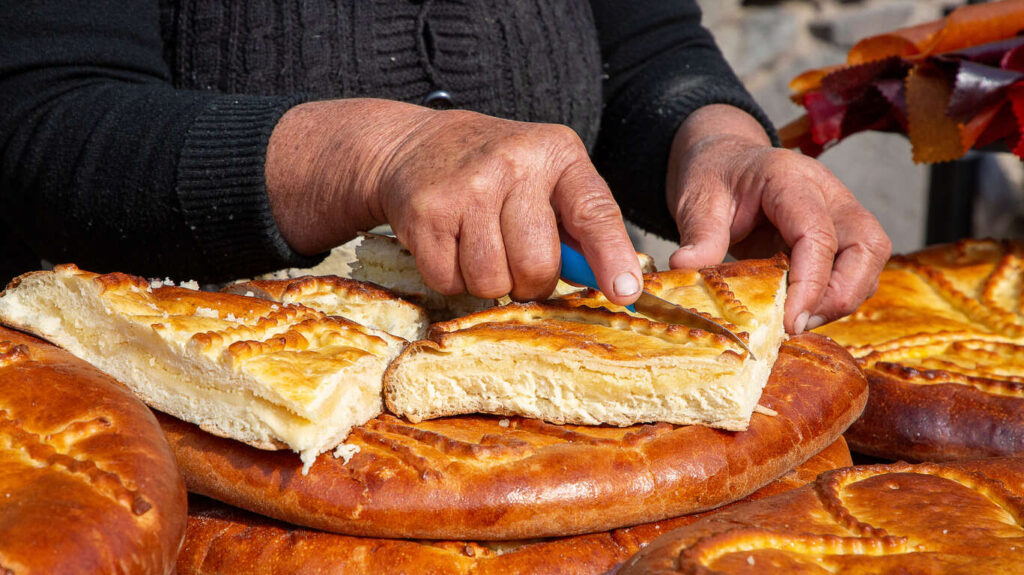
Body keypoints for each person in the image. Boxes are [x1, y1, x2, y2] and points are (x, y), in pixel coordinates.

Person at [0, 1, 890, 334]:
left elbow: (647, 47)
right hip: (178, 418)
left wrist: (718, 144)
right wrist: (378, 151)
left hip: (526, 376)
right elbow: (38, 114)